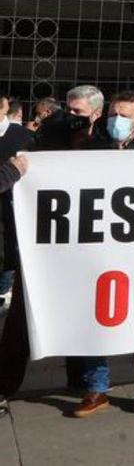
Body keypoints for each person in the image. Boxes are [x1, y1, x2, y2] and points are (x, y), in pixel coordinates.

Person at [75, 91, 134, 417]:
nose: (117, 120)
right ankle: (96, 388)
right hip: (99, 249)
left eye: (125, 115)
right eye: (113, 113)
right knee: (95, 316)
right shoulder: (90, 146)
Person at [0, 95, 33, 419]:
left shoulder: (25, 140)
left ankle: (5, 384)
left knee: (14, 324)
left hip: (15, 245)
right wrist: (10, 172)